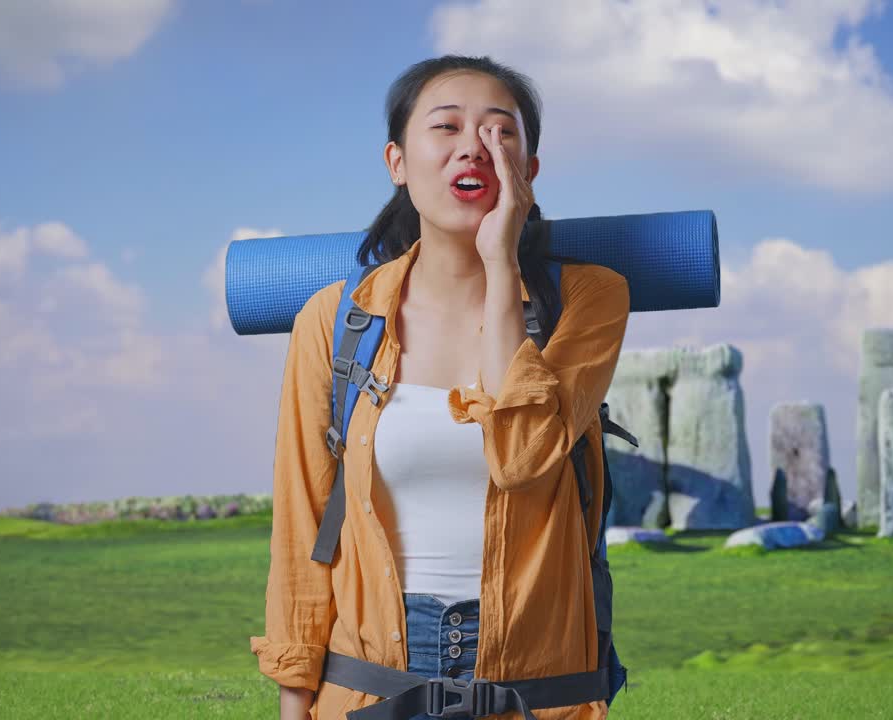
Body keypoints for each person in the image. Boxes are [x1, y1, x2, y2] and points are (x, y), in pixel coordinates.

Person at [250, 54, 631, 720]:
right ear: (397, 162)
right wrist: (293, 696)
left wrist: (500, 260)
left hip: (542, 692)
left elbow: (522, 458)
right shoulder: (335, 321)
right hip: (365, 683)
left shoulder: (590, 299)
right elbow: (302, 522)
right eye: (447, 127)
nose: (473, 148)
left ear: (529, 172)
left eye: (499, 131)